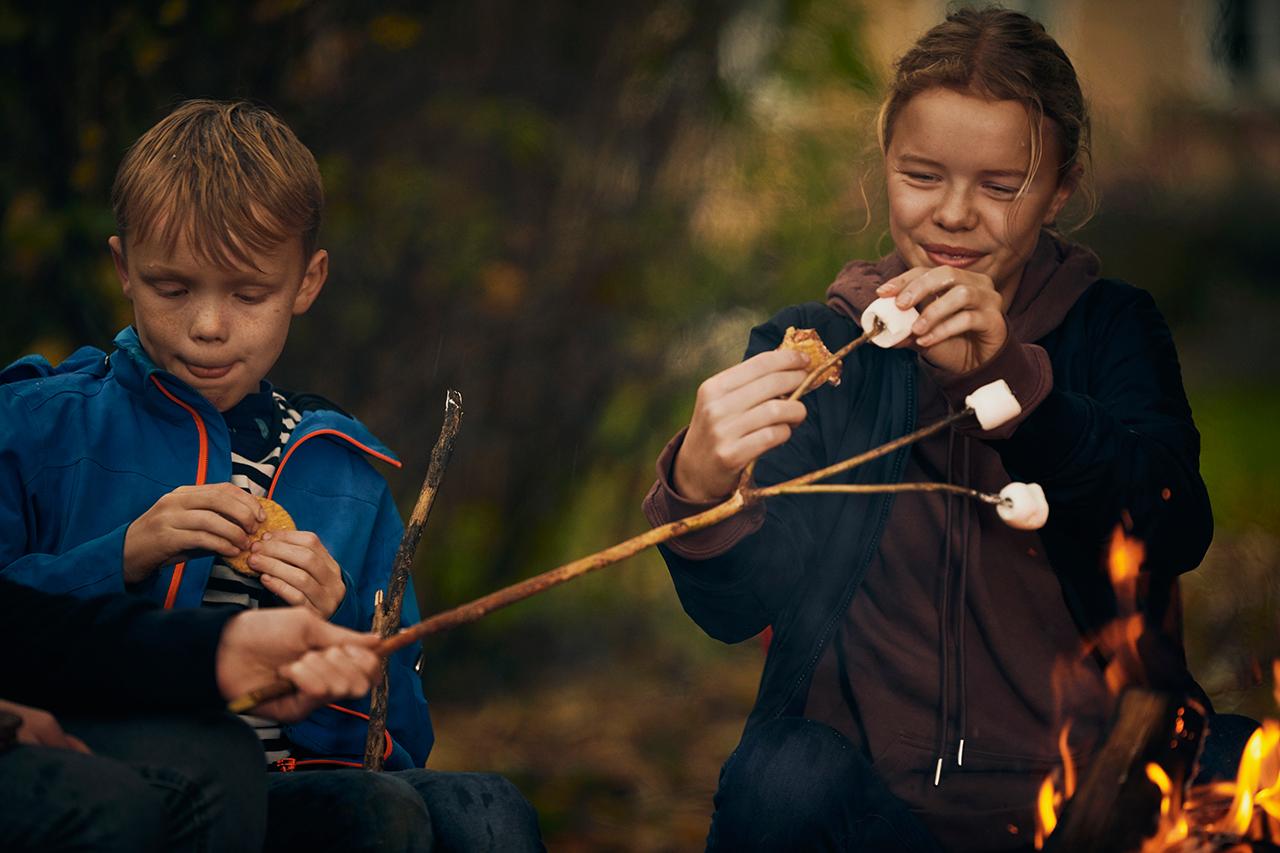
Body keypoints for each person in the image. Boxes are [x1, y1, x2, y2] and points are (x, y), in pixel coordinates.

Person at [642, 8, 1230, 851]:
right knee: (778, 775)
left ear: (1060, 190)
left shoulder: (1112, 329)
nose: (955, 215)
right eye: (923, 175)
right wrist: (699, 490)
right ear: (885, 162)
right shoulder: (814, 347)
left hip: (1082, 799)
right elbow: (738, 608)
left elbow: (1174, 525)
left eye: (1001, 186)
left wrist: (1013, 382)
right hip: (871, 810)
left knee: (1238, 759)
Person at [0, 99, 541, 852]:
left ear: (307, 282)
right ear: (124, 268)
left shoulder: (347, 475)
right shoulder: (38, 425)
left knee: (488, 809)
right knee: (382, 817)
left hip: (295, 777)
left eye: (248, 293)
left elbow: (403, 737)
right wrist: (121, 553)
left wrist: (340, 625)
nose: (209, 325)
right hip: (120, 764)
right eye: (173, 287)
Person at [0, 576, 384, 852]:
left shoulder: (366, 487)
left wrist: (217, 648)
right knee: (104, 805)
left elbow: (25, 617)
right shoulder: (49, 459)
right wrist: (121, 556)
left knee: (226, 751)